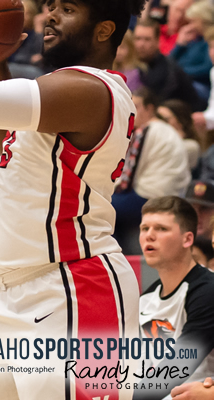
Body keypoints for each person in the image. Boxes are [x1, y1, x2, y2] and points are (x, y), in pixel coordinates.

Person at [0, 0, 144, 398]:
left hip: (70, 287)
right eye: (51, 7)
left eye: (68, 9)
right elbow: (11, 147)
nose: (51, 16)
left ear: (104, 30)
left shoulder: (91, 89)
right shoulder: (61, 93)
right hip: (5, 294)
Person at [137, 197, 214, 397]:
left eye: (161, 229)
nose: (149, 236)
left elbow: (177, 367)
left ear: (187, 239)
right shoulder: (145, 298)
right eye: (144, 228)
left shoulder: (208, 290)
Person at [113, 88, 190, 255]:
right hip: (170, 194)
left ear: (150, 108)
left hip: (151, 196)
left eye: (136, 106)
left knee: (102, 207)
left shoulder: (146, 130)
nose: (131, 111)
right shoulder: (164, 129)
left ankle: (114, 257)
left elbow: (127, 178)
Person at [135, 18, 205, 111]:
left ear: (157, 41)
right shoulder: (132, 65)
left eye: (147, 39)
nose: (141, 44)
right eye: (137, 38)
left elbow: (154, 106)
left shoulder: (166, 69)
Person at [158, 99, 201, 172]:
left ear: (180, 122)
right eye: (157, 118)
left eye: (165, 120)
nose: (159, 123)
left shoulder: (190, 146)